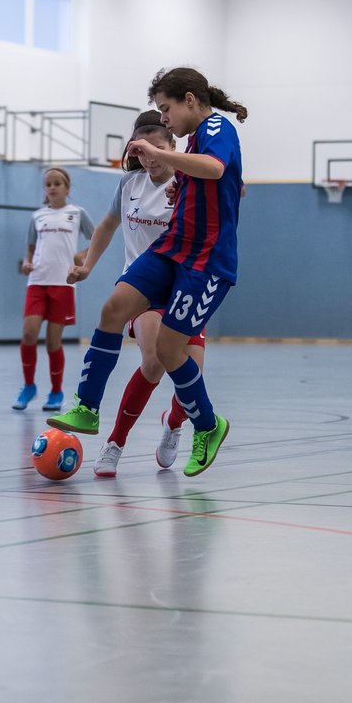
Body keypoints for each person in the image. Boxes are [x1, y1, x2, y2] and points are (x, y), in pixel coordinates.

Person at [48, 67, 245, 477]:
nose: (164, 117)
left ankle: (206, 426)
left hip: (205, 261)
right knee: (113, 308)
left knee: (170, 354)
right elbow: (201, 178)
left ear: (190, 99)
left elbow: (215, 168)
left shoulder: (216, 126)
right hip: (173, 248)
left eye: (166, 108)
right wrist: (181, 186)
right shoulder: (186, 145)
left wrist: (166, 159)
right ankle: (87, 406)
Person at [67, 111, 207, 477]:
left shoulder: (189, 183)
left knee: (189, 376)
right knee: (154, 360)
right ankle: (115, 442)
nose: (150, 158)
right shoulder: (129, 184)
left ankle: (174, 424)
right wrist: (87, 266)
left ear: (172, 146)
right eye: (142, 151)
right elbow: (108, 225)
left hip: (186, 286)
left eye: (157, 149)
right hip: (144, 289)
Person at [14, 167, 94, 411]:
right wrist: (27, 262)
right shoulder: (37, 216)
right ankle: (29, 386)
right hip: (37, 281)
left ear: (67, 188)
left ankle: (56, 391)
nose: (52, 187)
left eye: (57, 183)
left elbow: (98, 237)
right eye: (48, 184)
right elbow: (30, 247)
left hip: (63, 283)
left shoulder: (77, 213)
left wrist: (83, 256)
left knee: (52, 342)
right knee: (29, 334)